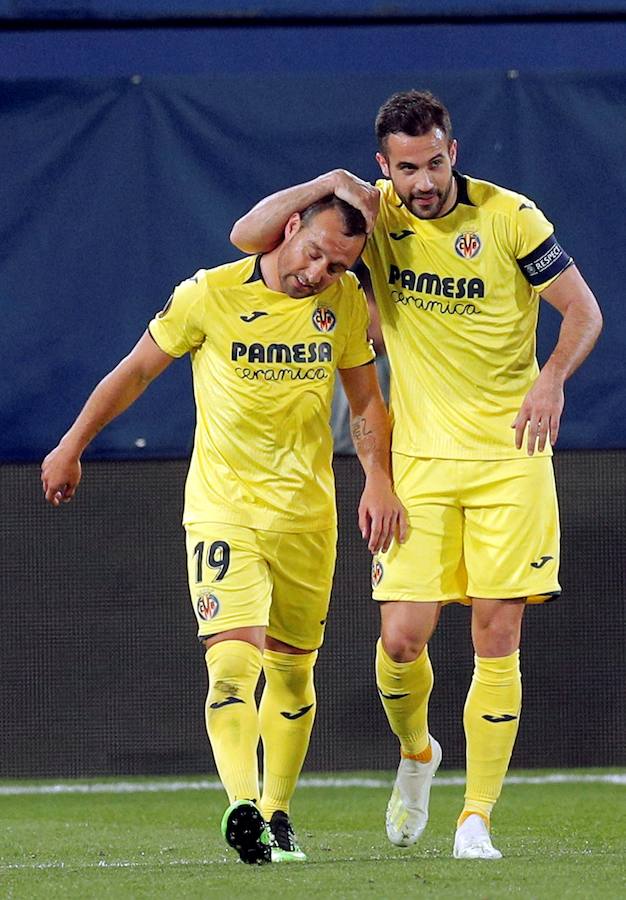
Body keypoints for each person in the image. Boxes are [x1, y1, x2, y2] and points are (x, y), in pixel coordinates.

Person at [229, 88, 603, 860]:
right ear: (384, 168)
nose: (424, 182)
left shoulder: (511, 217)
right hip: (420, 463)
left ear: (452, 153)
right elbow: (249, 237)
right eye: (407, 168)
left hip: (511, 459)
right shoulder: (375, 220)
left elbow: (584, 312)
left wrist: (552, 378)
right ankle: (418, 753)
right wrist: (327, 185)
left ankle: (477, 819)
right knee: (401, 641)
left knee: (497, 633)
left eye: (434, 163)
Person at [41, 195, 407, 865]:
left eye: (338, 264)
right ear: (289, 228)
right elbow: (135, 373)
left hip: (308, 515)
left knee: (294, 675)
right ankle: (244, 806)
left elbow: (365, 403)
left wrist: (377, 479)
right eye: (315, 252)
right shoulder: (208, 293)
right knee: (232, 662)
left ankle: (277, 811)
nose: (319, 271)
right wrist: (72, 444)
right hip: (224, 509)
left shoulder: (345, 303)